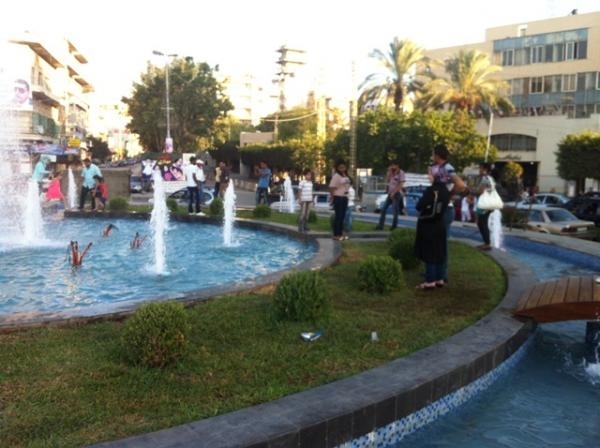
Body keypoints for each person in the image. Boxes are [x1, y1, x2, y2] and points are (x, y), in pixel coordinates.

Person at [430, 144, 468, 283]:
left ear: (437, 155)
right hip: (441, 208)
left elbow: (461, 185)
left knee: (441, 243)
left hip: (445, 210)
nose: (432, 156)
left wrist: (449, 194)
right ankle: (438, 273)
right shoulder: (439, 168)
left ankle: (441, 275)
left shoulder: (447, 167)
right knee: (438, 242)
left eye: (433, 154)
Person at [414, 171, 450, 289]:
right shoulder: (445, 190)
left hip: (428, 223)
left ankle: (430, 281)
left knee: (429, 252)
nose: (428, 176)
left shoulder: (431, 190)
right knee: (440, 250)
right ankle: (440, 278)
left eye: (430, 174)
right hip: (440, 222)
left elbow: (419, 206)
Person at [375, 161, 406, 231]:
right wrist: (389, 172)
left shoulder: (401, 173)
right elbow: (387, 180)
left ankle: (394, 226)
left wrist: (394, 193)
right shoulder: (392, 172)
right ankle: (380, 226)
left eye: (393, 165)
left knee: (395, 211)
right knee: (383, 209)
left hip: (397, 194)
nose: (392, 167)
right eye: (391, 165)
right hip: (390, 193)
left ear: (397, 165)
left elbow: (401, 185)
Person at [328, 159, 351, 241]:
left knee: (342, 217)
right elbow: (331, 187)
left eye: (343, 167)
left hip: (345, 197)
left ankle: (340, 233)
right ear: (337, 168)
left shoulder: (345, 175)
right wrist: (332, 197)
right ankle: (336, 234)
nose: (342, 169)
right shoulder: (336, 176)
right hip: (338, 197)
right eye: (340, 167)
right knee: (338, 216)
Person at [475, 162, 494, 251]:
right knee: (481, 223)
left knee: (482, 223)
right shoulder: (488, 178)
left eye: (480, 168)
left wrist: (471, 190)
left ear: (485, 169)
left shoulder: (485, 178)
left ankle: (487, 243)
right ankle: (486, 242)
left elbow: (481, 191)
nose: (479, 170)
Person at [297, 168, 313, 233]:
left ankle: (305, 226)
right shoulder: (302, 182)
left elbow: (311, 191)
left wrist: (312, 200)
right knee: (303, 213)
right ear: (305, 175)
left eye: (310, 175)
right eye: (308, 175)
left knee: (307, 214)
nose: (309, 176)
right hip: (303, 200)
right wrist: (299, 199)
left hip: (309, 200)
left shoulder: (311, 183)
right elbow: (299, 191)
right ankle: (300, 227)